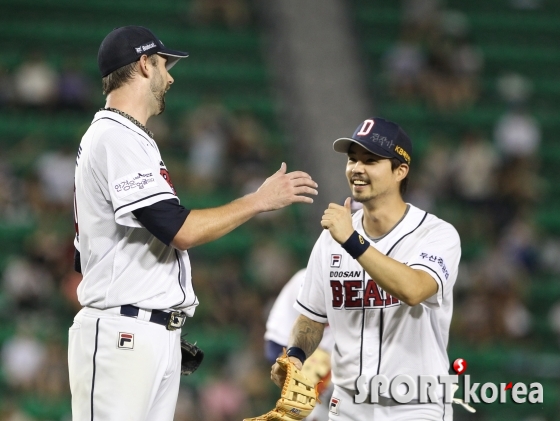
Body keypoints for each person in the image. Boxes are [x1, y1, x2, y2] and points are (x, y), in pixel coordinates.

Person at [69, 26, 318, 421]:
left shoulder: (128, 137)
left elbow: (87, 258)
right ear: (143, 65)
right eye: (164, 64)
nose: (171, 76)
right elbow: (179, 230)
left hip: (144, 333)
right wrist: (258, 200)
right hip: (124, 333)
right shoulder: (113, 135)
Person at [270, 117, 461, 420]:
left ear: (401, 170)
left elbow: (413, 290)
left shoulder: (437, 234)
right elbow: (312, 318)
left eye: (370, 160)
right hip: (347, 406)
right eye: (352, 159)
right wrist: (294, 356)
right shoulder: (330, 239)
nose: (357, 168)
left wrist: (351, 240)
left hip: (415, 405)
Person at [264, 268, 334, 421]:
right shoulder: (304, 282)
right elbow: (275, 343)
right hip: (317, 387)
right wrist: (292, 368)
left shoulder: (378, 281)